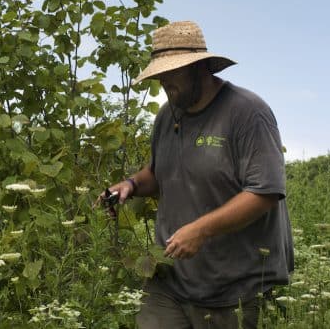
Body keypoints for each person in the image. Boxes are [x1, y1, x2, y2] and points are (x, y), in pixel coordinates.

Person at [102, 20, 294, 329]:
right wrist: (131, 184)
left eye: (172, 72)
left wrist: (201, 230)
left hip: (236, 289)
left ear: (199, 68)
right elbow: (158, 171)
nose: (165, 83)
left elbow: (265, 193)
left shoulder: (247, 113)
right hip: (171, 282)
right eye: (160, 75)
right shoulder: (167, 115)